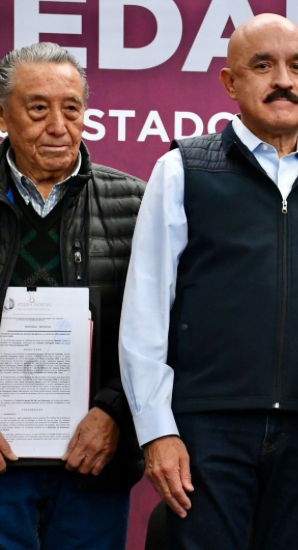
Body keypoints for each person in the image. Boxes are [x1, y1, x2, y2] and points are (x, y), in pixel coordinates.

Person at [118, 13, 298, 549]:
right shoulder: (184, 168)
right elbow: (145, 309)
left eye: (297, 66)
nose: (283, 79)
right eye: (263, 65)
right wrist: (158, 431)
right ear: (230, 82)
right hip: (207, 430)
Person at [0, 43, 145, 549]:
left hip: (95, 461)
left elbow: (167, 331)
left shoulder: (136, 204)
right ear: (3, 114)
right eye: (38, 108)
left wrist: (115, 412)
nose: (58, 126)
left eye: (72, 108)